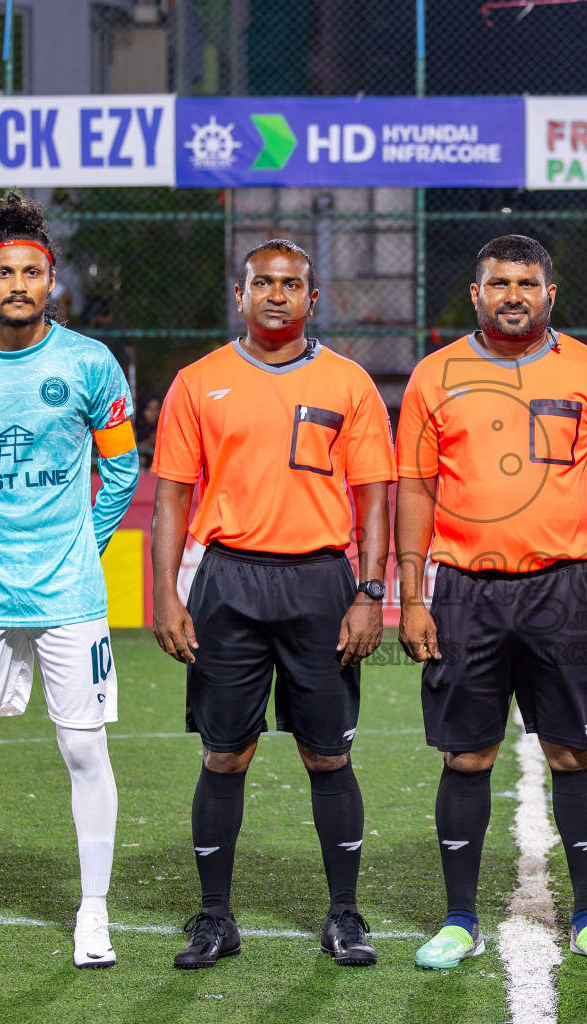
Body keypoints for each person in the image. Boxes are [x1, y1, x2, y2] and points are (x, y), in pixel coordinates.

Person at [396, 235, 587, 969]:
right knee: (467, 754)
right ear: (476, 294)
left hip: (563, 588)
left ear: (550, 294)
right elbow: (415, 487)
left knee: (573, 750)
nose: (513, 295)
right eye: (499, 283)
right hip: (464, 590)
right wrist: (411, 595)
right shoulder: (435, 376)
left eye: (527, 283)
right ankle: (459, 919)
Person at [0, 191, 139, 971]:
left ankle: (94, 915)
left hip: (68, 594)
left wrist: (81, 542)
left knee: (83, 750)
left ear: (51, 281)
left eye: (30, 272)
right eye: (3, 271)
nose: (16, 284)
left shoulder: (88, 363)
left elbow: (122, 467)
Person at [150, 239, 394, 970]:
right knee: (224, 754)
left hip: (321, 581)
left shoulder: (349, 383)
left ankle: (345, 915)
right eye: (264, 283)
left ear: (312, 299)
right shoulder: (199, 382)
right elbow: (170, 496)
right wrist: (165, 591)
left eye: (292, 285)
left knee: (328, 754)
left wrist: (370, 589)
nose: (278, 295)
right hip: (228, 582)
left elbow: (373, 495)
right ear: (240, 294)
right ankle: (215, 918)